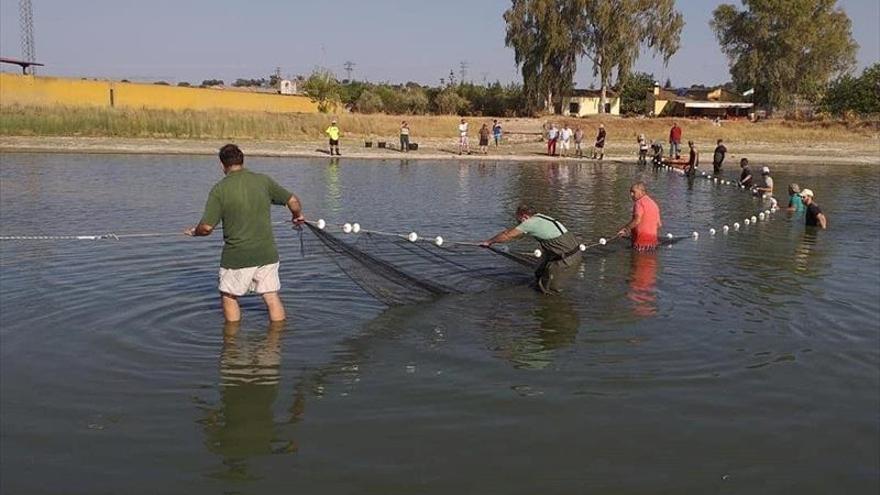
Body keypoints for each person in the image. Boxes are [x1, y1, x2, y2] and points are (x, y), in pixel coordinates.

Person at [186, 144, 305, 322]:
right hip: (267, 254)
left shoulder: (220, 189)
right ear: (243, 160)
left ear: (222, 165)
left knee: (229, 296)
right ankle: (275, 343)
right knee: (271, 296)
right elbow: (292, 200)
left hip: (237, 256)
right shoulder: (263, 180)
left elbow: (207, 227)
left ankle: (232, 346)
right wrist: (297, 215)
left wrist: (195, 232)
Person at [480, 205, 582, 294]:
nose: (518, 223)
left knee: (548, 290)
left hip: (566, 259)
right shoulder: (541, 217)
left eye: (519, 220)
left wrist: (489, 242)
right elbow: (514, 233)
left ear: (524, 217)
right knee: (539, 272)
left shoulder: (530, 223)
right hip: (566, 251)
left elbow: (507, 235)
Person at [617, 182, 662, 251]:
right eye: (630, 192)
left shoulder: (639, 203)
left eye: (633, 192)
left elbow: (637, 220)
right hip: (653, 244)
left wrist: (625, 229)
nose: (631, 195)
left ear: (641, 192)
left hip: (640, 244)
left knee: (637, 261)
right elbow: (659, 224)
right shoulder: (654, 204)